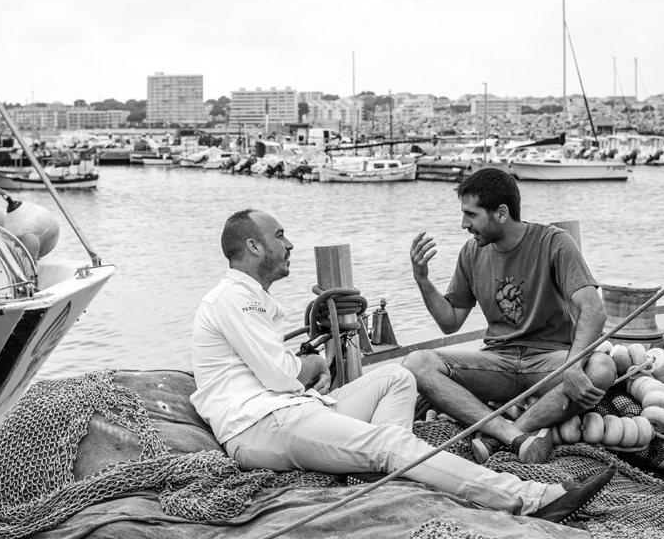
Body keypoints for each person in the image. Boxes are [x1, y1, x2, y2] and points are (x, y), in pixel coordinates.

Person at [190, 208, 616, 524]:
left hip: (294, 410)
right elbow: (280, 375)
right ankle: (531, 498)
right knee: (391, 446)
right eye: (280, 236)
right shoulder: (233, 297)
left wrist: (304, 370)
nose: (289, 245)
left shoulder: (254, 299)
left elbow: (281, 373)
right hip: (262, 423)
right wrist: (314, 362)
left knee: (398, 374)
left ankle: (397, 460)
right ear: (252, 246)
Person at [404, 168, 616, 465]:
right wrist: (422, 280)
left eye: (471, 214)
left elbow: (593, 309)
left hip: (550, 363)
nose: (464, 224)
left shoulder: (555, 242)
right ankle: (512, 435)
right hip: (497, 363)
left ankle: (506, 434)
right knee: (416, 363)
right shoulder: (470, 253)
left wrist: (572, 366)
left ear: (501, 213)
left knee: (602, 368)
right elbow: (450, 321)